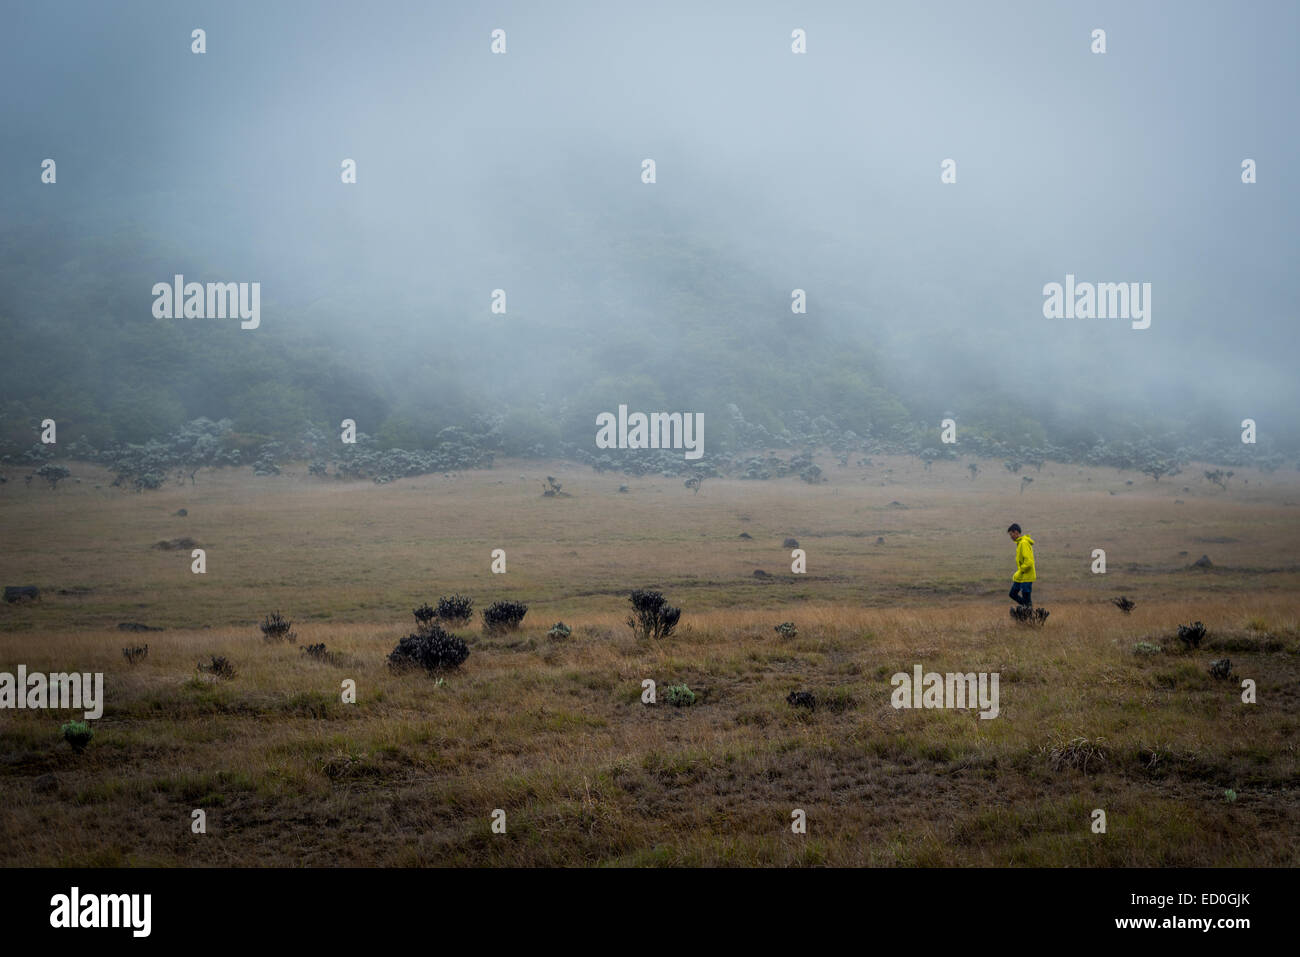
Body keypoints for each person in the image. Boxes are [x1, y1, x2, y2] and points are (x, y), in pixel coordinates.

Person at [1007, 523, 1035, 607]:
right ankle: (1027, 608)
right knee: (1012, 593)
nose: (1011, 537)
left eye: (1011, 534)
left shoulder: (1023, 543)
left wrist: (1021, 569)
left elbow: (1029, 562)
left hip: (1027, 576)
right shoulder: (1019, 543)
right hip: (1021, 576)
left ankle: (1028, 611)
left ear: (1016, 532)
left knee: (1026, 596)